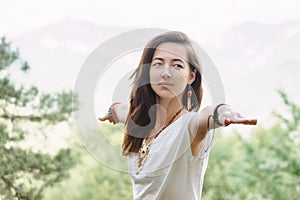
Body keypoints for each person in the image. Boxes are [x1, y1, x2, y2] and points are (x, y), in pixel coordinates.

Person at [99, 31, 257, 200]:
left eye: (177, 65)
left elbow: (207, 115)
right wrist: (111, 113)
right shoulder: (139, 120)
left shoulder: (189, 126)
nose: (166, 72)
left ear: (191, 76)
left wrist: (222, 112)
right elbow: (121, 111)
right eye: (158, 64)